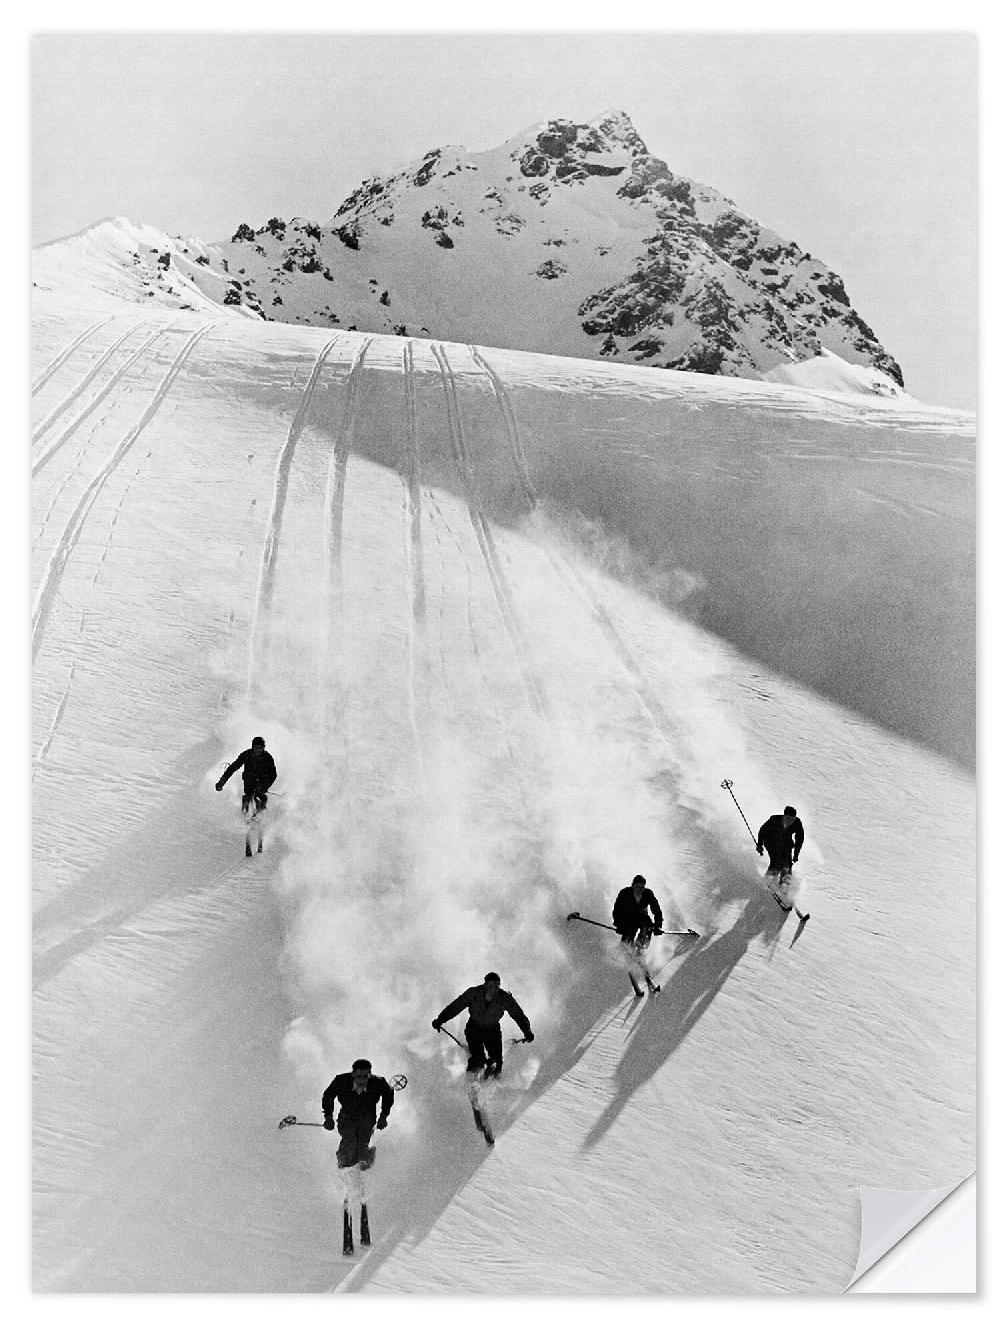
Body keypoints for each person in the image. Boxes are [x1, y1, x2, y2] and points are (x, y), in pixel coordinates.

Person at [432, 972, 534, 1078]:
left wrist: (527, 1031)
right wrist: (440, 1020)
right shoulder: (473, 993)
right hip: (474, 1029)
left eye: (496, 986)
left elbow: (518, 1014)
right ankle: (472, 1076)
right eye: (490, 985)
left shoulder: (504, 998)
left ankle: (492, 1078)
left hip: (492, 1030)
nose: (493, 989)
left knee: (497, 1063)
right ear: (485, 985)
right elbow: (455, 1006)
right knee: (478, 1059)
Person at [322, 1059, 395, 1171]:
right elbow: (328, 1095)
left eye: (365, 1077)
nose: (361, 1080)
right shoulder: (341, 1081)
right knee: (350, 1141)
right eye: (358, 1076)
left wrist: (383, 1117)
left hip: (367, 1117)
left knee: (362, 1144)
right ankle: (345, 1159)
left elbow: (388, 1094)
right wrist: (328, 1117)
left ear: (370, 1075)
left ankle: (365, 1156)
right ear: (353, 1074)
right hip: (347, 1117)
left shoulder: (378, 1082)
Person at [612, 875, 664, 996]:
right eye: (637, 886)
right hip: (627, 921)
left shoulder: (648, 893)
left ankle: (640, 951)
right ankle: (628, 955)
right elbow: (617, 910)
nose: (639, 889)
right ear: (633, 885)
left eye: (642, 887)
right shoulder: (625, 893)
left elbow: (656, 909)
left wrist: (657, 925)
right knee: (627, 946)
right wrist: (619, 924)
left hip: (643, 920)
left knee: (643, 940)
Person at [216, 735, 277, 816]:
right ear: (253, 747)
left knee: (258, 794)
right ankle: (245, 814)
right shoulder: (246, 755)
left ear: (264, 748)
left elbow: (273, 775)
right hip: (249, 779)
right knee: (248, 795)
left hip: (262, 780)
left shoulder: (268, 758)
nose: (258, 750)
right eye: (256, 747)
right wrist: (222, 782)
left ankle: (260, 814)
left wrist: (265, 786)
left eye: (260, 747)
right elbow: (233, 768)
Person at [756, 805, 805, 886]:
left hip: (786, 843)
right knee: (776, 861)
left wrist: (796, 854)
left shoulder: (797, 823)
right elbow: (762, 831)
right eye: (788, 818)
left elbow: (799, 839)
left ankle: (783, 887)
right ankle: (767, 882)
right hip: (770, 841)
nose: (790, 821)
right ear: (784, 816)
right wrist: (759, 845)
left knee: (787, 865)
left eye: (792, 819)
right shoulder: (774, 820)